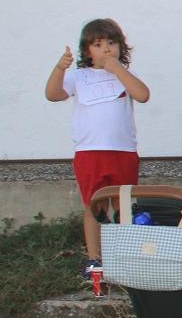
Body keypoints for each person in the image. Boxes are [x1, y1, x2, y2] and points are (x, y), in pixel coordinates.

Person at [45, 19, 150, 284]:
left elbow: (143, 94)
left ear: (120, 47)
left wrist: (118, 69)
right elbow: (53, 94)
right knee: (93, 204)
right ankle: (95, 258)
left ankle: (126, 254)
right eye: (98, 44)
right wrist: (60, 68)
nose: (106, 49)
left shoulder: (123, 76)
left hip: (123, 151)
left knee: (123, 204)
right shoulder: (80, 77)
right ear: (87, 50)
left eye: (111, 43)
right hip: (90, 152)